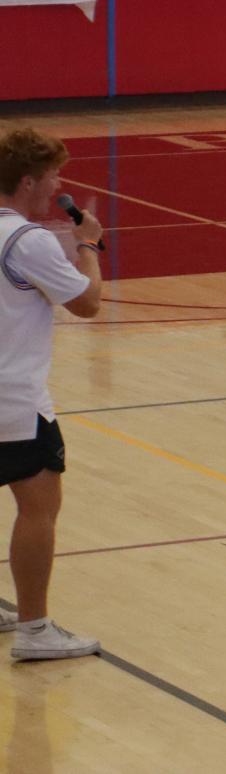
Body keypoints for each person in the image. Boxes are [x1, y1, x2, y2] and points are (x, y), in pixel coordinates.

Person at [0, 127, 104, 660]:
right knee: (39, 504)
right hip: (13, 401)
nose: (59, 184)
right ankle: (35, 630)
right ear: (26, 181)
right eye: (52, 176)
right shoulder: (29, 241)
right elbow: (88, 304)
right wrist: (87, 246)